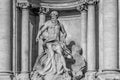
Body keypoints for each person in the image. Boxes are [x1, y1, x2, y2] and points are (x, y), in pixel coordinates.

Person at [36, 11, 70, 76]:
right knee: (51, 55)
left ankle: (65, 67)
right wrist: (37, 36)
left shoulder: (60, 24)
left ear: (57, 17)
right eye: (52, 16)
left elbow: (64, 32)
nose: (53, 18)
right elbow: (41, 30)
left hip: (57, 42)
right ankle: (53, 70)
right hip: (49, 42)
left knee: (61, 54)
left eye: (54, 16)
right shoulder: (48, 23)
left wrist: (63, 37)